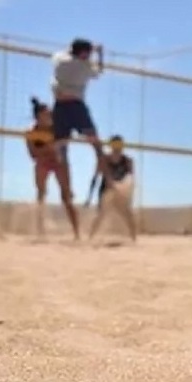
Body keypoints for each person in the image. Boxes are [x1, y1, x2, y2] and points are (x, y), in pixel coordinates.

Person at [50, 38, 113, 193]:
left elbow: (62, 54)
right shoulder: (85, 67)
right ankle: (109, 181)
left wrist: (82, 49)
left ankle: (66, 187)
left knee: (62, 149)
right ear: (84, 53)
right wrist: (99, 54)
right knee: (96, 145)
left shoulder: (59, 60)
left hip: (60, 107)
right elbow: (99, 71)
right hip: (76, 107)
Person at [25, 97, 80, 239]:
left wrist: (56, 148)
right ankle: (40, 231)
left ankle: (77, 233)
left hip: (58, 162)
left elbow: (67, 139)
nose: (50, 116)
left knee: (66, 197)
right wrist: (48, 149)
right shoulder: (31, 133)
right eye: (46, 114)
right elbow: (33, 155)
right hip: (42, 162)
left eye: (50, 114)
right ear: (38, 117)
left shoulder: (56, 128)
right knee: (41, 194)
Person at [86, 135, 137, 241]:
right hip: (106, 190)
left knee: (128, 214)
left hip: (121, 191)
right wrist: (89, 197)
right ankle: (90, 238)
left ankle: (134, 239)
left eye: (119, 145)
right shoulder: (104, 160)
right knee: (101, 215)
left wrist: (126, 191)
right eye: (115, 145)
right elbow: (95, 178)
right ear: (110, 146)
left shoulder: (128, 161)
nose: (117, 148)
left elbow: (131, 179)